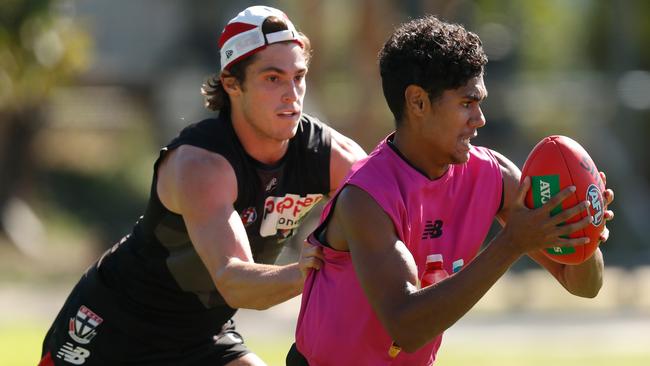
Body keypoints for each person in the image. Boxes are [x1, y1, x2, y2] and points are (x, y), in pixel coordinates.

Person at [39, 5, 366, 366]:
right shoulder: (200, 164)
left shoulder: (332, 155)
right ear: (231, 83)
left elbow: (397, 208)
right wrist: (311, 269)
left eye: (298, 76)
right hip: (114, 329)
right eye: (273, 78)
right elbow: (235, 280)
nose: (292, 93)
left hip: (200, 336)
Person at [288, 15, 614, 366]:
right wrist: (511, 244)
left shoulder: (493, 174)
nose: (480, 118)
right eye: (466, 103)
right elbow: (406, 326)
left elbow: (583, 285)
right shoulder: (366, 196)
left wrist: (582, 232)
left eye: (480, 102)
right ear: (417, 103)